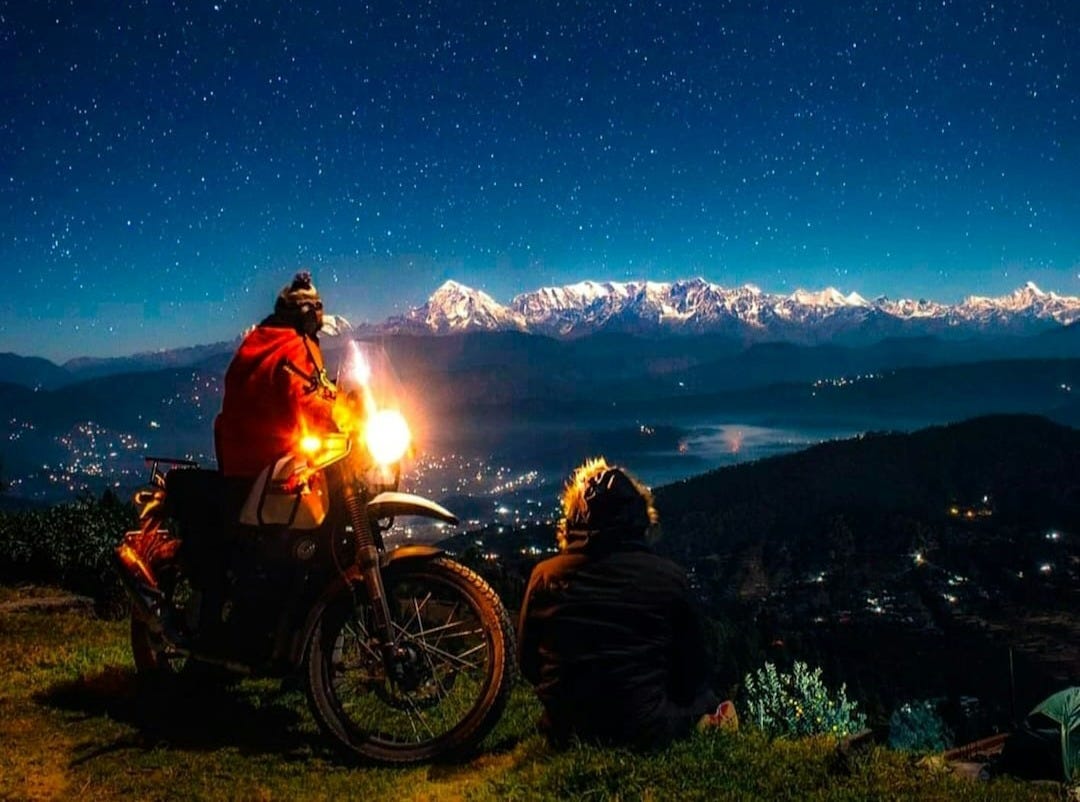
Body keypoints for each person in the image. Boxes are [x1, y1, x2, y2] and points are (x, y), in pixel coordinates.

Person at [517, 457, 719, 750]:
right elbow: (693, 670)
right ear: (640, 517)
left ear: (573, 518)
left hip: (565, 728)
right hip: (644, 728)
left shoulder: (545, 576)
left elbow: (528, 662)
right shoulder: (668, 578)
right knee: (708, 699)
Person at [214, 271, 338, 479]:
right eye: (316, 309)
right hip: (273, 475)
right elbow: (305, 400)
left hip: (235, 469)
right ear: (306, 313)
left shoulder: (258, 340)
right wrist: (338, 412)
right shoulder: (294, 346)